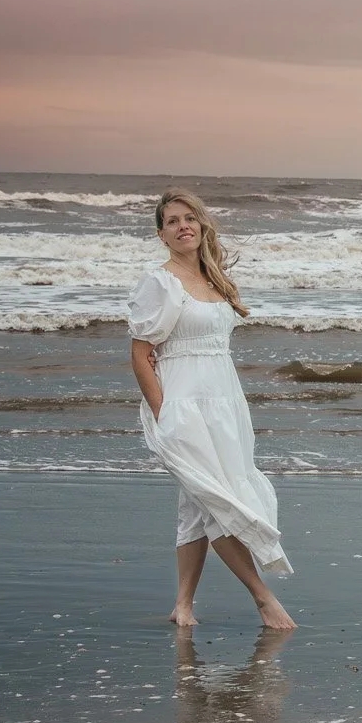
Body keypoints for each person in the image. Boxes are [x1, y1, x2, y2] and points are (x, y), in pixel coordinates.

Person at [126, 188, 296, 631]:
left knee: (197, 504)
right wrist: (164, 415)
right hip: (183, 405)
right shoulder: (160, 282)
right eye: (172, 221)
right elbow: (141, 354)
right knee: (218, 500)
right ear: (161, 234)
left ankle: (183, 604)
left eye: (189, 218)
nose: (183, 226)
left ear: (201, 225)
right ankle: (263, 598)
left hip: (225, 403)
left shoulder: (215, 277)